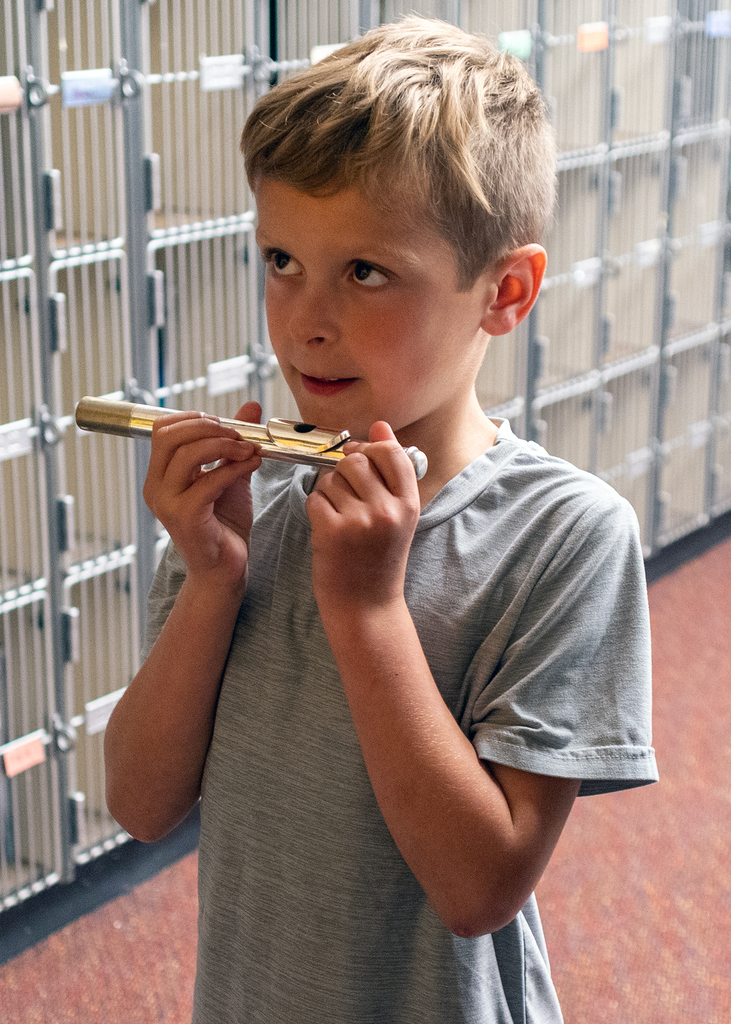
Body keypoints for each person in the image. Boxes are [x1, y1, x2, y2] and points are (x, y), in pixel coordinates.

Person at [104, 16, 658, 1023]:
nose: (304, 318)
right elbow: (142, 804)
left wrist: (366, 613)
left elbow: (479, 887)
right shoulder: (254, 498)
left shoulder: (565, 536)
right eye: (280, 259)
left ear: (506, 292)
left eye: (365, 272)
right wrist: (213, 578)